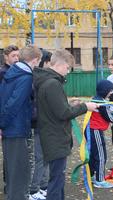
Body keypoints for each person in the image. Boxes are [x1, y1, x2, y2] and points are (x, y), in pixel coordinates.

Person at [33, 49, 98, 200]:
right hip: (55, 137)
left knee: (57, 178)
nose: (68, 71)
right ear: (60, 64)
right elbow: (63, 113)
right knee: (56, 180)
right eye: (67, 67)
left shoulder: (48, 82)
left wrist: (69, 104)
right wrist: (85, 107)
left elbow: (56, 107)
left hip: (53, 135)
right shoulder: (52, 84)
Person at [0, 45, 42, 200]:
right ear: (35, 60)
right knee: (19, 173)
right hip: (16, 130)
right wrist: (2, 124)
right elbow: (13, 104)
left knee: (14, 172)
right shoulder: (25, 77)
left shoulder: (12, 72)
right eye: (39, 61)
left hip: (11, 129)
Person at [86, 80, 113, 188]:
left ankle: (92, 176)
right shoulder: (102, 103)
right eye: (110, 90)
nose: (111, 92)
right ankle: (99, 180)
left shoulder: (98, 99)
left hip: (93, 131)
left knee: (94, 155)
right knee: (100, 155)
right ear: (105, 91)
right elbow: (111, 118)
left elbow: (106, 115)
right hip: (95, 131)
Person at [29, 50, 52, 200]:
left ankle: (42, 186)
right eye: (50, 62)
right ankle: (33, 190)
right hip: (38, 125)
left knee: (44, 157)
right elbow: (34, 104)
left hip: (44, 124)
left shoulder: (42, 78)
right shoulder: (35, 80)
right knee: (39, 158)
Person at [0, 44, 19, 195]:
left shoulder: (17, 72)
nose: (16, 59)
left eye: (18, 56)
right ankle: (9, 186)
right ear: (6, 57)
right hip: (6, 120)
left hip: (16, 121)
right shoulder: (3, 73)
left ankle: (12, 185)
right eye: (13, 56)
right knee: (8, 155)